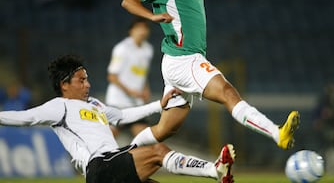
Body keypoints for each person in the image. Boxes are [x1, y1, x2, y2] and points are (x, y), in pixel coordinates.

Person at [121, 0, 300, 150]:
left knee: (165, 129)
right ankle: (277, 133)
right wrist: (151, 16)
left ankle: (123, 153)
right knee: (228, 92)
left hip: (176, 61)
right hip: (185, 59)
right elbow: (128, 0)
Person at [0, 54, 236, 183]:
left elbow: (122, 115)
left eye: (87, 79)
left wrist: (158, 104)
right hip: (99, 168)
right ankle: (214, 170)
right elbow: (25, 118)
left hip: (113, 166)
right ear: (64, 85)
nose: (88, 84)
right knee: (157, 151)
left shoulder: (94, 105)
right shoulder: (59, 106)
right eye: (81, 80)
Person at [105, 17, 153, 138]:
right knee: (107, 140)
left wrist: (146, 89)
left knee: (146, 140)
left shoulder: (148, 49)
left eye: (145, 28)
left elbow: (143, 74)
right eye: (139, 28)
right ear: (131, 31)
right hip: (118, 102)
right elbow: (112, 76)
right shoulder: (122, 49)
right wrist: (130, 91)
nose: (142, 31)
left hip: (136, 103)